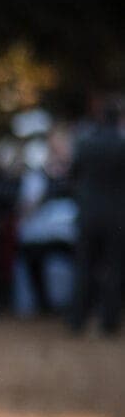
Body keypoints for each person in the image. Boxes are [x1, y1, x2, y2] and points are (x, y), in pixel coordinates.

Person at [66, 97, 125, 337]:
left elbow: (73, 175)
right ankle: (109, 322)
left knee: (83, 267)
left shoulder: (85, 143)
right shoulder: (121, 145)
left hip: (88, 214)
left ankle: (77, 320)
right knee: (114, 268)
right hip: (116, 216)